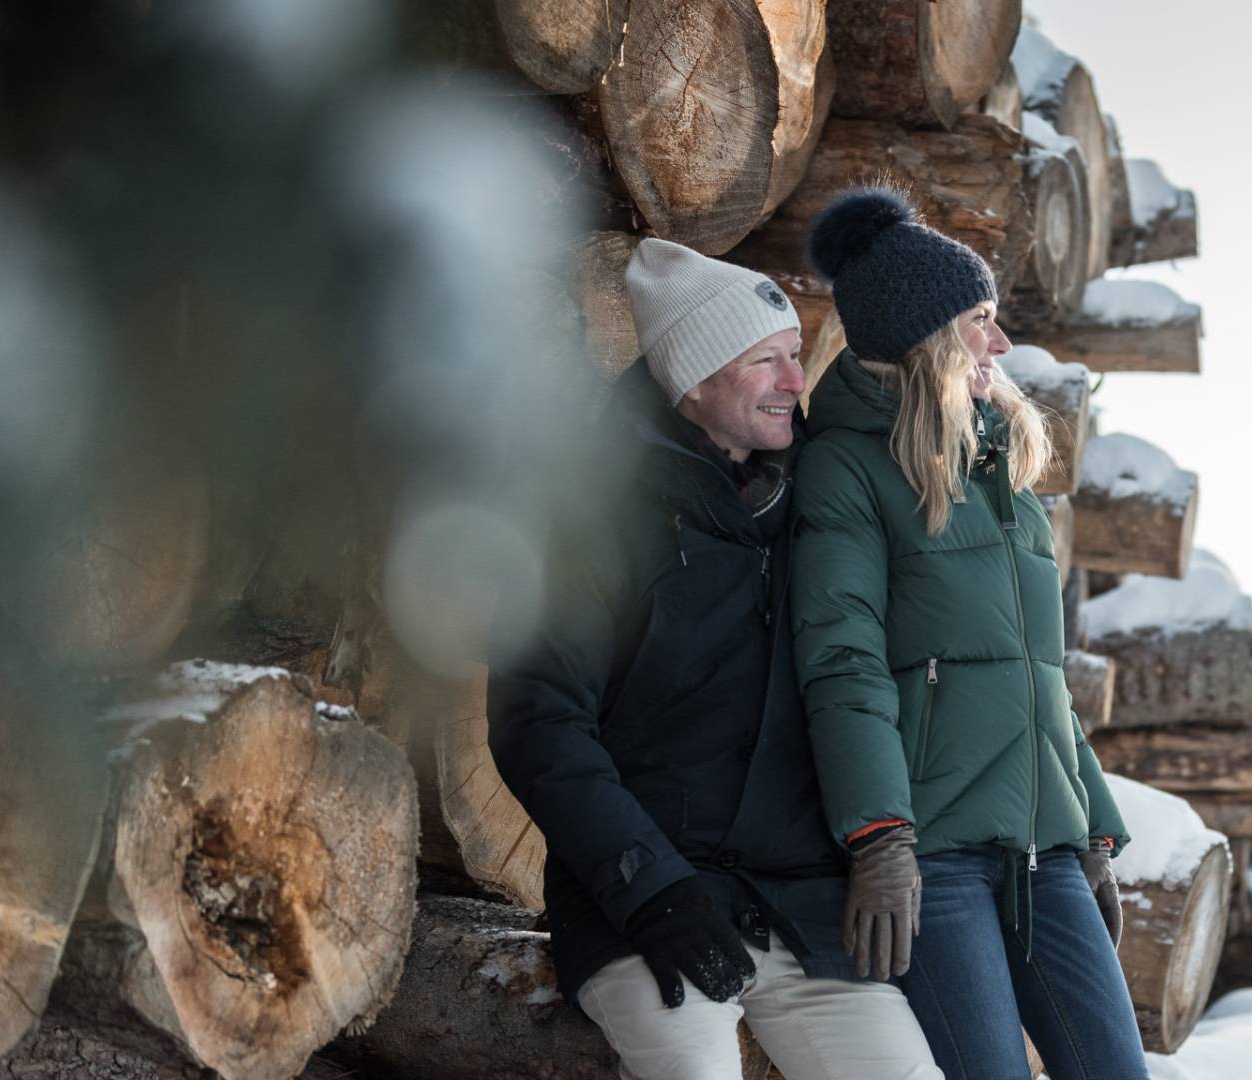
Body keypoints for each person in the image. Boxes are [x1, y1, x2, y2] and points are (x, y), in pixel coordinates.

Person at [489, 238, 941, 1080]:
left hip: (805, 912)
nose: (797, 383)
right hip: (645, 905)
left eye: (796, 358)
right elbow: (539, 721)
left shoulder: (819, 502)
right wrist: (651, 889)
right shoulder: (589, 513)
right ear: (693, 379)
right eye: (767, 362)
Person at [789, 189, 1147, 1080]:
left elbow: (1040, 678)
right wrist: (880, 840)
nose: (999, 342)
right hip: (933, 859)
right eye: (978, 321)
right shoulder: (846, 470)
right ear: (924, 337)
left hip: (1047, 854)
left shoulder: (1001, 471)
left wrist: (1093, 831)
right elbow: (843, 661)